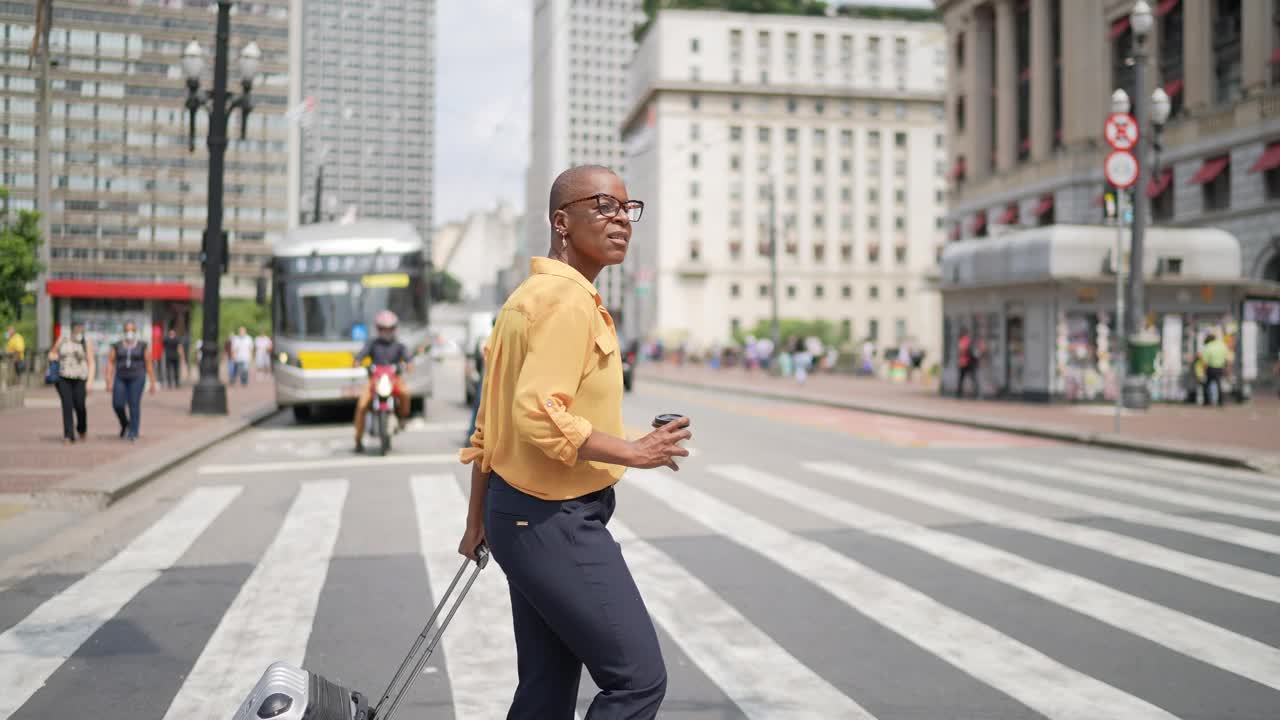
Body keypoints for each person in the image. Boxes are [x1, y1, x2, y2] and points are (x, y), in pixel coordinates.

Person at [456, 165, 690, 720]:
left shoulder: (527, 298)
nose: (622, 222)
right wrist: (636, 451)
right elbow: (537, 415)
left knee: (545, 690)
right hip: (553, 520)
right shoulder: (567, 302)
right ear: (563, 222)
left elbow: (491, 429)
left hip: (517, 514)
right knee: (636, 681)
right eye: (605, 206)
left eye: (627, 210)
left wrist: (477, 518)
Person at [351, 310, 411, 452]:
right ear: (378, 329)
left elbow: (408, 359)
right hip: (375, 381)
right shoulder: (372, 344)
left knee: (405, 393)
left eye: (390, 328)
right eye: (383, 328)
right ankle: (358, 439)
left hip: (394, 380)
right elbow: (361, 355)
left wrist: (409, 364)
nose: (387, 332)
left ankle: (402, 417)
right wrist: (358, 361)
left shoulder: (399, 345)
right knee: (361, 405)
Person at [106, 321, 156, 441]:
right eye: (128, 330)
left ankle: (133, 431)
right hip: (121, 377)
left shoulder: (142, 345)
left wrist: (152, 382)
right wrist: (108, 379)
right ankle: (125, 423)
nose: (130, 333)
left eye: (132, 330)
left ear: (135, 331)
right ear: (124, 331)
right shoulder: (117, 345)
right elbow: (110, 362)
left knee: (134, 403)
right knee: (117, 404)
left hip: (137, 377)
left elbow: (148, 364)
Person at [48, 321, 94, 444]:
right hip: (64, 377)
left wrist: (90, 381)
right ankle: (68, 435)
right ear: (73, 329)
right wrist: (53, 357)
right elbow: (52, 352)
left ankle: (81, 428)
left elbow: (91, 362)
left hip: (80, 377)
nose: (79, 330)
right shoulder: (62, 339)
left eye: (81, 328)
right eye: (77, 328)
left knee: (80, 405)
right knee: (67, 405)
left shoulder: (85, 342)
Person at [1199, 332, 1230, 406]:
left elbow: (1205, 361)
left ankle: (1207, 402)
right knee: (1219, 384)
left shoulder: (1208, 346)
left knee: (1206, 385)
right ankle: (1220, 402)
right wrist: (1227, 368)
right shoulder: (1222, 345)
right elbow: (1227, 358)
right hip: (1220, 368)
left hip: (1211, 368)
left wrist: (1203, 371)